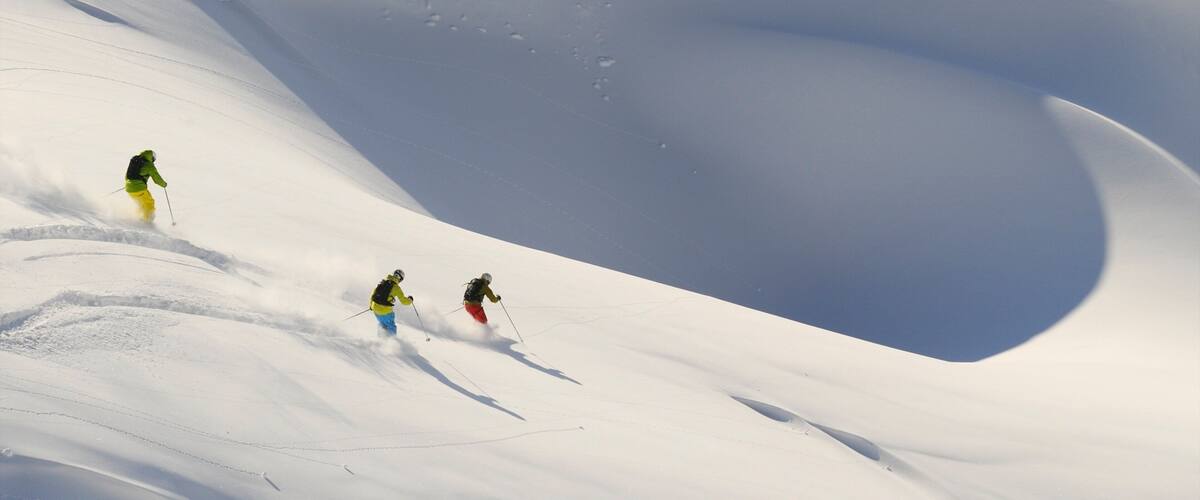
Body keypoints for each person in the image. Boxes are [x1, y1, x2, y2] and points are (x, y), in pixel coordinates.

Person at [124, 149, 168, 222]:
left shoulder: (135, 160)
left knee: (141, 204)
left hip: (129, 188)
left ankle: (138, 219)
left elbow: (128, 174)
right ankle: (147, 222)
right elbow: (157, 178)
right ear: (151, 157)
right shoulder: (149, 165)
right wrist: (164, 184)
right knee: (149, 203)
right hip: (139, 189)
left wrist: (130, 184)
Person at [370, 269, 413, 335]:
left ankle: (380, 337)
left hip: (375, 308)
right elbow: (404, 301)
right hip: (385, 311)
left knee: (382, 323)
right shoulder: (396, 288)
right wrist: (410, 300)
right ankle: (392, 339)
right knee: (391, 325)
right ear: (400, 279)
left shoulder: (383, 282)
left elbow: (373, 294)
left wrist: (371, 306)